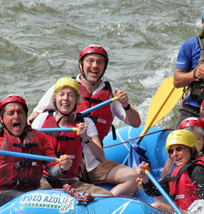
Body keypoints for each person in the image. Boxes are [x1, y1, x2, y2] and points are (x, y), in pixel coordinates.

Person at [28, 45, 141, 197]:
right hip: (60, 162)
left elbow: (135, 123)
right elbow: (33, 119)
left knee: (134, 178)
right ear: (81, 65)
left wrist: (126, 106)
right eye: (90, 61)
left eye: (100, 62)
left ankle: (107, 203)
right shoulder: (63, 88)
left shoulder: (111, 94)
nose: (95, 65)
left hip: (93, 160)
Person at [0, 95, 72, 214]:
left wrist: (62, 167)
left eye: (20, 112)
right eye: (11, 113)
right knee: (25, 199)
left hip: (30, 195)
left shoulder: (40, 138)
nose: (16, 116)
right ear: (1, 119)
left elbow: (53, 170)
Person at [31, 77, 112, 195]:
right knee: (44, 192)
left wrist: (86, 138)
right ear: (55, 99)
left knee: (107, 196)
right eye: (61, 94)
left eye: (70, 95)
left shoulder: (86, 123)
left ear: (76, 100)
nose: (65, 99)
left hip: (70, 181)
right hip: (43, 176)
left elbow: (100, 157)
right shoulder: (41, 119)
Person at [136, 130, 204, 214]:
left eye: (179, 149)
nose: (174, 154)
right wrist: (145, 179)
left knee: (157, 206)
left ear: (192, 149)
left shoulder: (198, 171)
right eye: (171, 151)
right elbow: (154, 191)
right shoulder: (177, 173)